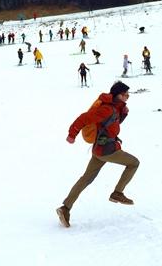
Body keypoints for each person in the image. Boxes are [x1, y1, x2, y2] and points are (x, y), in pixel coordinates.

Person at [56, 81, 139, 228]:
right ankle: (117, 193)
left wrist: (123, 114)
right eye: (126, 94)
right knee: (133, 163)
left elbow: (111, 126)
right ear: (118, 95)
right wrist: (72, 134)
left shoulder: (115, 108)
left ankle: (65, 208)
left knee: (86, 179)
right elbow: (84, 118)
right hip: (108, 150)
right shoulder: (107, 109)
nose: (128, 97)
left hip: (99, 149)